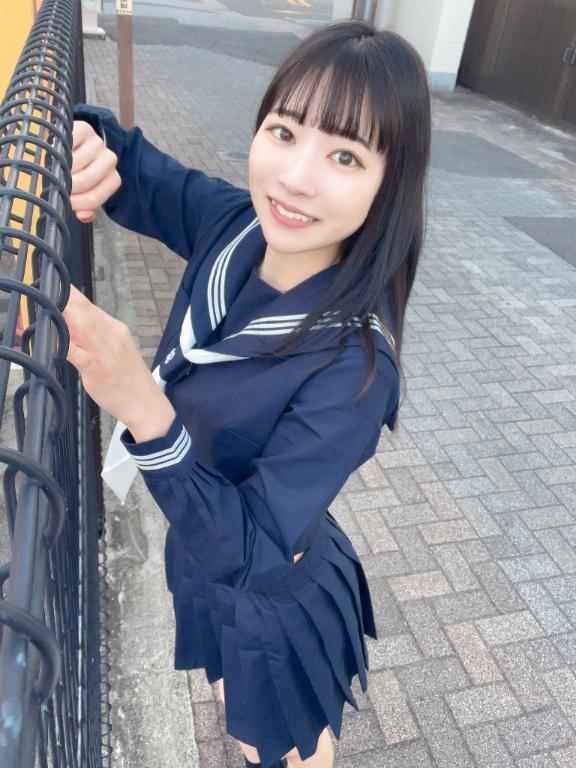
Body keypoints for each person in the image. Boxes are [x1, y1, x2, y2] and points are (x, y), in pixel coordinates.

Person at [65, 19, 431, 768]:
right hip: (204, 550)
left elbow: (259, 548)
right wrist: (86, 142)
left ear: (389, 184)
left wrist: (144, 410)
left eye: (344, 155)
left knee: (279, 740)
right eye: (284, 131)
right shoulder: (236, 225)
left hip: (273, 593)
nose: (295, 177)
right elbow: (146, 175)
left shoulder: (357, 366)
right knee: (240, 707)